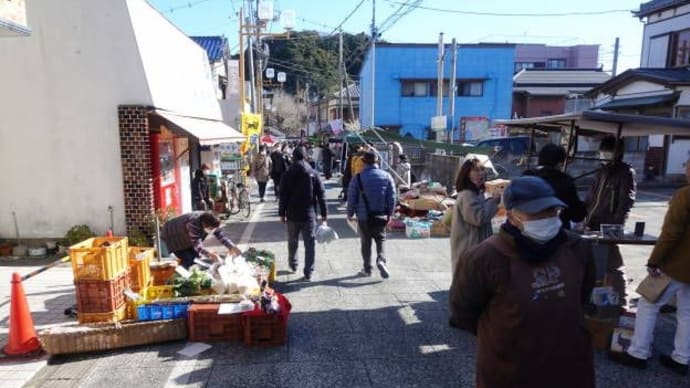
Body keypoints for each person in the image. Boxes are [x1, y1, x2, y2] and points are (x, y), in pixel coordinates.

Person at [450, 176, 596, 388]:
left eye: (551, 211)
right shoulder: (484, 257)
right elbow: (463, 312)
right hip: (510, 369)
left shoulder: (576, 247)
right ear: (511, 216)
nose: (545, 218)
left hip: (569, 367)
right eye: (535, 213)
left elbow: (581, 296)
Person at [609, 159, 690, 376]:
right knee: (687, 312)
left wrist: (654, 260)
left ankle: (638, 352)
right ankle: (682, 358)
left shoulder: (685, 195)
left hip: (676, 263)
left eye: (688, 165)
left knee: (648, 303)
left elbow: (671, 233)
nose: (685, 169)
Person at [584, 135, 636, 306]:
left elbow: (625, 202)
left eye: (608, 152)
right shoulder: (601, 171)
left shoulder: (625, 172)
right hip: (591, 223)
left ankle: (621, 300)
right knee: (594, 264)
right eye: (602, 152)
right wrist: (584, 217)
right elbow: (590, 198)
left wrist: (615, 226)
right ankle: (595, 299)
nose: (603, 155)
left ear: (617, 153)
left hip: (608, 225)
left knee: (613, 264)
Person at [279, 146, 327, 281]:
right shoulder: (313, 173)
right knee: (310, 244)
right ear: (306, 157)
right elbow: (321, 195)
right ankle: (308, 271)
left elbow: (283, 195)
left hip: (292, 214)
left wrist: (281, 213)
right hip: (309, 214)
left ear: (293, 157)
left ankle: (293, 264)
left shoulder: (287, 174)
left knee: (292, 240)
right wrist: (324, 214)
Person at [347, 150, 396, 279]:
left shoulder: (357, 177)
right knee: (381, 239)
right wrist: (390, 214)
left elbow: (352, 198)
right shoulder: (387, 176)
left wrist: (350, 214)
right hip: (381, 216)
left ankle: (367, 268)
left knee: (366, 242)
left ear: (363, 162)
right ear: (377, 162)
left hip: (363, 217)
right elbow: (392, 197)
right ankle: (381, 260)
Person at [449, 158, 500, 273]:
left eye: (482, 170)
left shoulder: (477, 193)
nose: (480, 173)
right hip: (469, 249)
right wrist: (494, 202)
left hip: (475, 248)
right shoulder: (467, 195)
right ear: (467, 174)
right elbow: (478, 218)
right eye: (475, 170)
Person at [523, 143, 586, 229]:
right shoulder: (565, 181)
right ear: (560, 164)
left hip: (526, 230)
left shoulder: (525, 177)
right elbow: (577, 215)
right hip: (557, 233)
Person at [161, 211, 241, 268]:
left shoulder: (211, 220)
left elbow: (221, 237)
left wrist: (232, 247)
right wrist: (210, 254)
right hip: (173, 237)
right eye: (210, 228)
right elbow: (198, 247)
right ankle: (184, 282)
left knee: (196, 260)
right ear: (204, 225)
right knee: (189, 260)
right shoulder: (193, 224)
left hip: (187, 238)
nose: (212, 230)